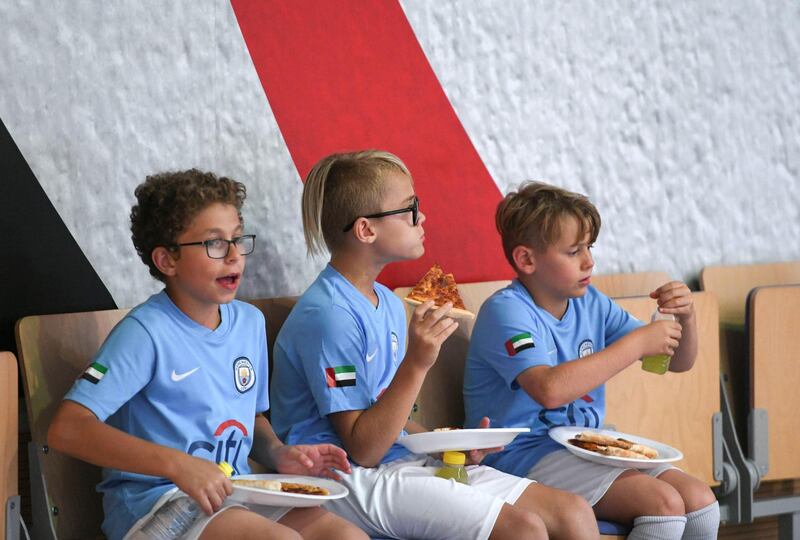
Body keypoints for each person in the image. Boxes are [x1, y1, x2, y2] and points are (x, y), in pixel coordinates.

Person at [271, 151, 599, 540]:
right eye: (411, 209)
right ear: (366, 230)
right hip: (344, 477)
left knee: (573, 514)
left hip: (400, 460)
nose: (422, 218)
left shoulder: (389, 302)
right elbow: (364, 448)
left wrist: (444, 444)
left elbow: (386, 412)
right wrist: (417, 363)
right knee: (522, 529)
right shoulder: (328, 316)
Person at [48, 170, 366, 540]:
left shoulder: (249, 322)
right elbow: (67, 429)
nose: (234, 255)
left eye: (237, 239)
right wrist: (179, 466)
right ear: (167, 260)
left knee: (346, 537)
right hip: (156, 506)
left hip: (233, 493)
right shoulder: (144, 333)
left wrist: (278, 452)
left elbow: (252, 416)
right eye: (214, 244)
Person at [463, 181, 719, 540]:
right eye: (573, 251)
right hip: (517, 456)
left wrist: (686, 318)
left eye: (589, 247)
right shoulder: (506, 311)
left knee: (701, 500)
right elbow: (549, 390)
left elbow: (676, 362)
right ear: (526, 260)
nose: (589, 261)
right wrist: (635, 344)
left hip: (584, 446)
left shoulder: (590, 302)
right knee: (663, 504)